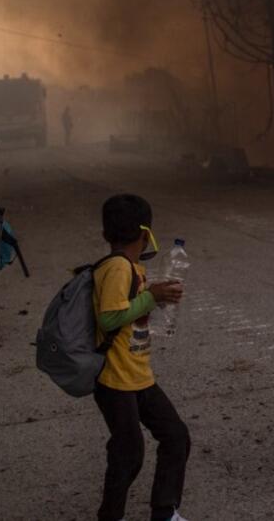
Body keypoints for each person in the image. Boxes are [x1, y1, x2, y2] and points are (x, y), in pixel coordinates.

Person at [91, 194, 190, 521]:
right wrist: (151, 296)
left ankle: (164, 511)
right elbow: (108, 318)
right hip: (115, 379)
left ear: (107, 233)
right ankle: (110, 515)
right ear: (145, 232)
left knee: (175, 435)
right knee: (128, 451)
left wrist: (154, 298)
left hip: (137, 374)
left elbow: (129, 311)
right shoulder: (118, 267)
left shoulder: (130, 267)